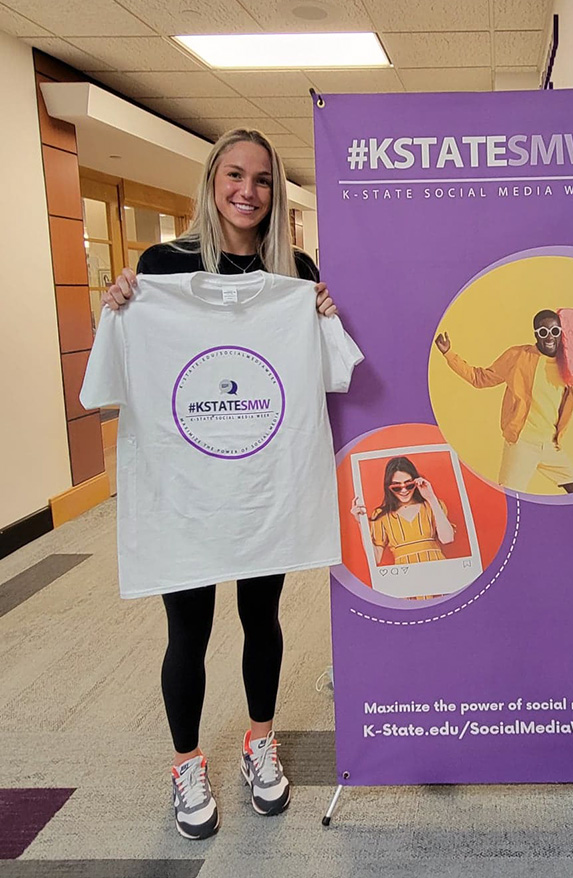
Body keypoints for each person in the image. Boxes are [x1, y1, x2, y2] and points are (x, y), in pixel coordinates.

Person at [102, 128, 339, 840]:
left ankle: (257, 742)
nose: (248, 191)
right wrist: (121, 303)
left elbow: (314, 368)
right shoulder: (161, 266)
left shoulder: (293, 268)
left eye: (264, 180)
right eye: (235, 175)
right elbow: (131, 370)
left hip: (264, 484)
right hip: (189, 487)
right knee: (189, 629)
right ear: (211, 181)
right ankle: (186, 761)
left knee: (261, 618)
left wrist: (321, 314)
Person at [435, 310, 573, 493]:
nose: (549, 337)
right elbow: (479, 378)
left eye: (554, 331)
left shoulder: (572, 365)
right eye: (543, 332)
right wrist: (449, 354)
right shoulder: (518, 356)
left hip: (551, 446)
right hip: (522, 443)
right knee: (510, 500)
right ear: (535, 335)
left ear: (562, 332)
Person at [351, 457, 455, 565]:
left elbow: (447, 539)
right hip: (405, 577)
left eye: (409, 485)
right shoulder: (381, 515)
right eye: (397, 487)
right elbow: (375, 558)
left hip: (438, 570)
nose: (404, 490)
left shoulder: (431, 505)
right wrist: (361, 523)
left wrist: (431, 498)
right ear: (389, 487)